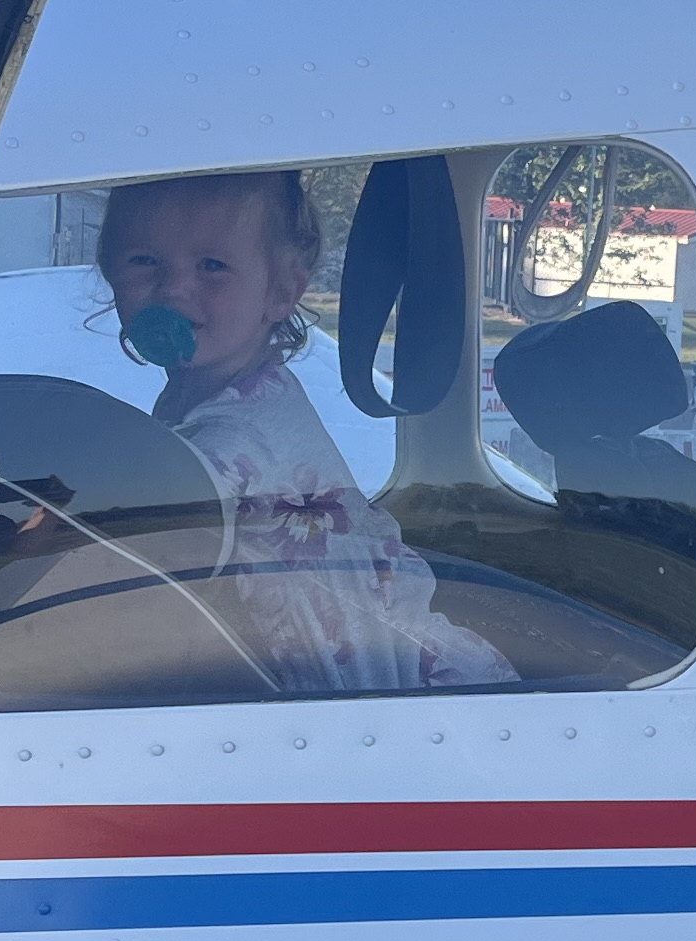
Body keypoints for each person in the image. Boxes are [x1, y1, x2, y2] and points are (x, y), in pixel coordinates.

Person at [96, 170, 513, 696]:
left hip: (377, 692)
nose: (174, 287)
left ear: (280, 293)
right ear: (112, 274)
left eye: (212, 266)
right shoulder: (244, 388)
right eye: (144, 261)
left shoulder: (224, 450)